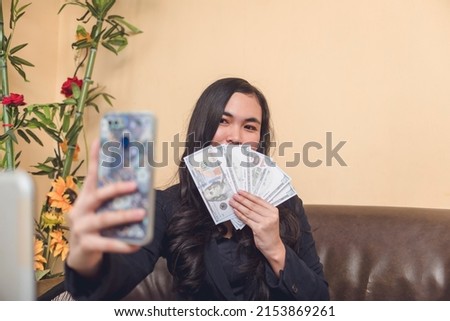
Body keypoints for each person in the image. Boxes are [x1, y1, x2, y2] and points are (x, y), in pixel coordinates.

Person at [65, 77, 329, 300]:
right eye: (223, 121)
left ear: (259, 141)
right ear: (201, 131)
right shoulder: (168, 205)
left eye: (249, 126)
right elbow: (115, 279)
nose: (235, 137)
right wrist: (86, 256)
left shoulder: (286, 205)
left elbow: (321, 302)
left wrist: (275, 248)